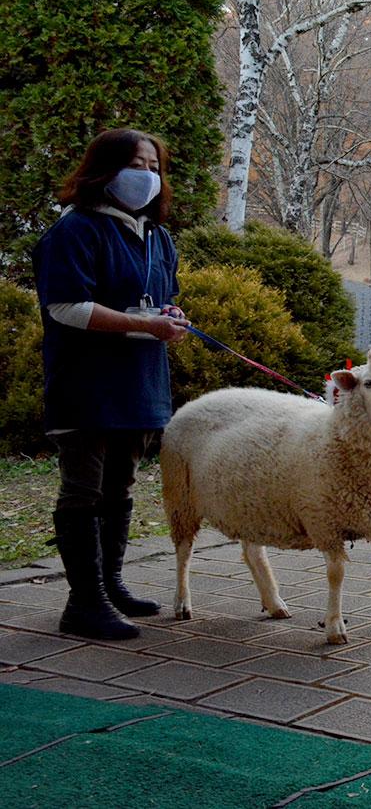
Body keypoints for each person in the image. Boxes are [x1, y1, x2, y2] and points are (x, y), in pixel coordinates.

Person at [32, 129, 191, 640]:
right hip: (86, 384)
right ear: (102, 170)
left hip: (140, 385)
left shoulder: (159, 237)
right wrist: (144, 324)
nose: (145, 175)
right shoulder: (75, 230)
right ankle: (83, 603)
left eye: (153, 166)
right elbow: (66, 307)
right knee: (83, 488)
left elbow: (160, 297)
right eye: (134, 164)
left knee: (119, 488)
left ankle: (110, 583)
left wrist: (171, 315)